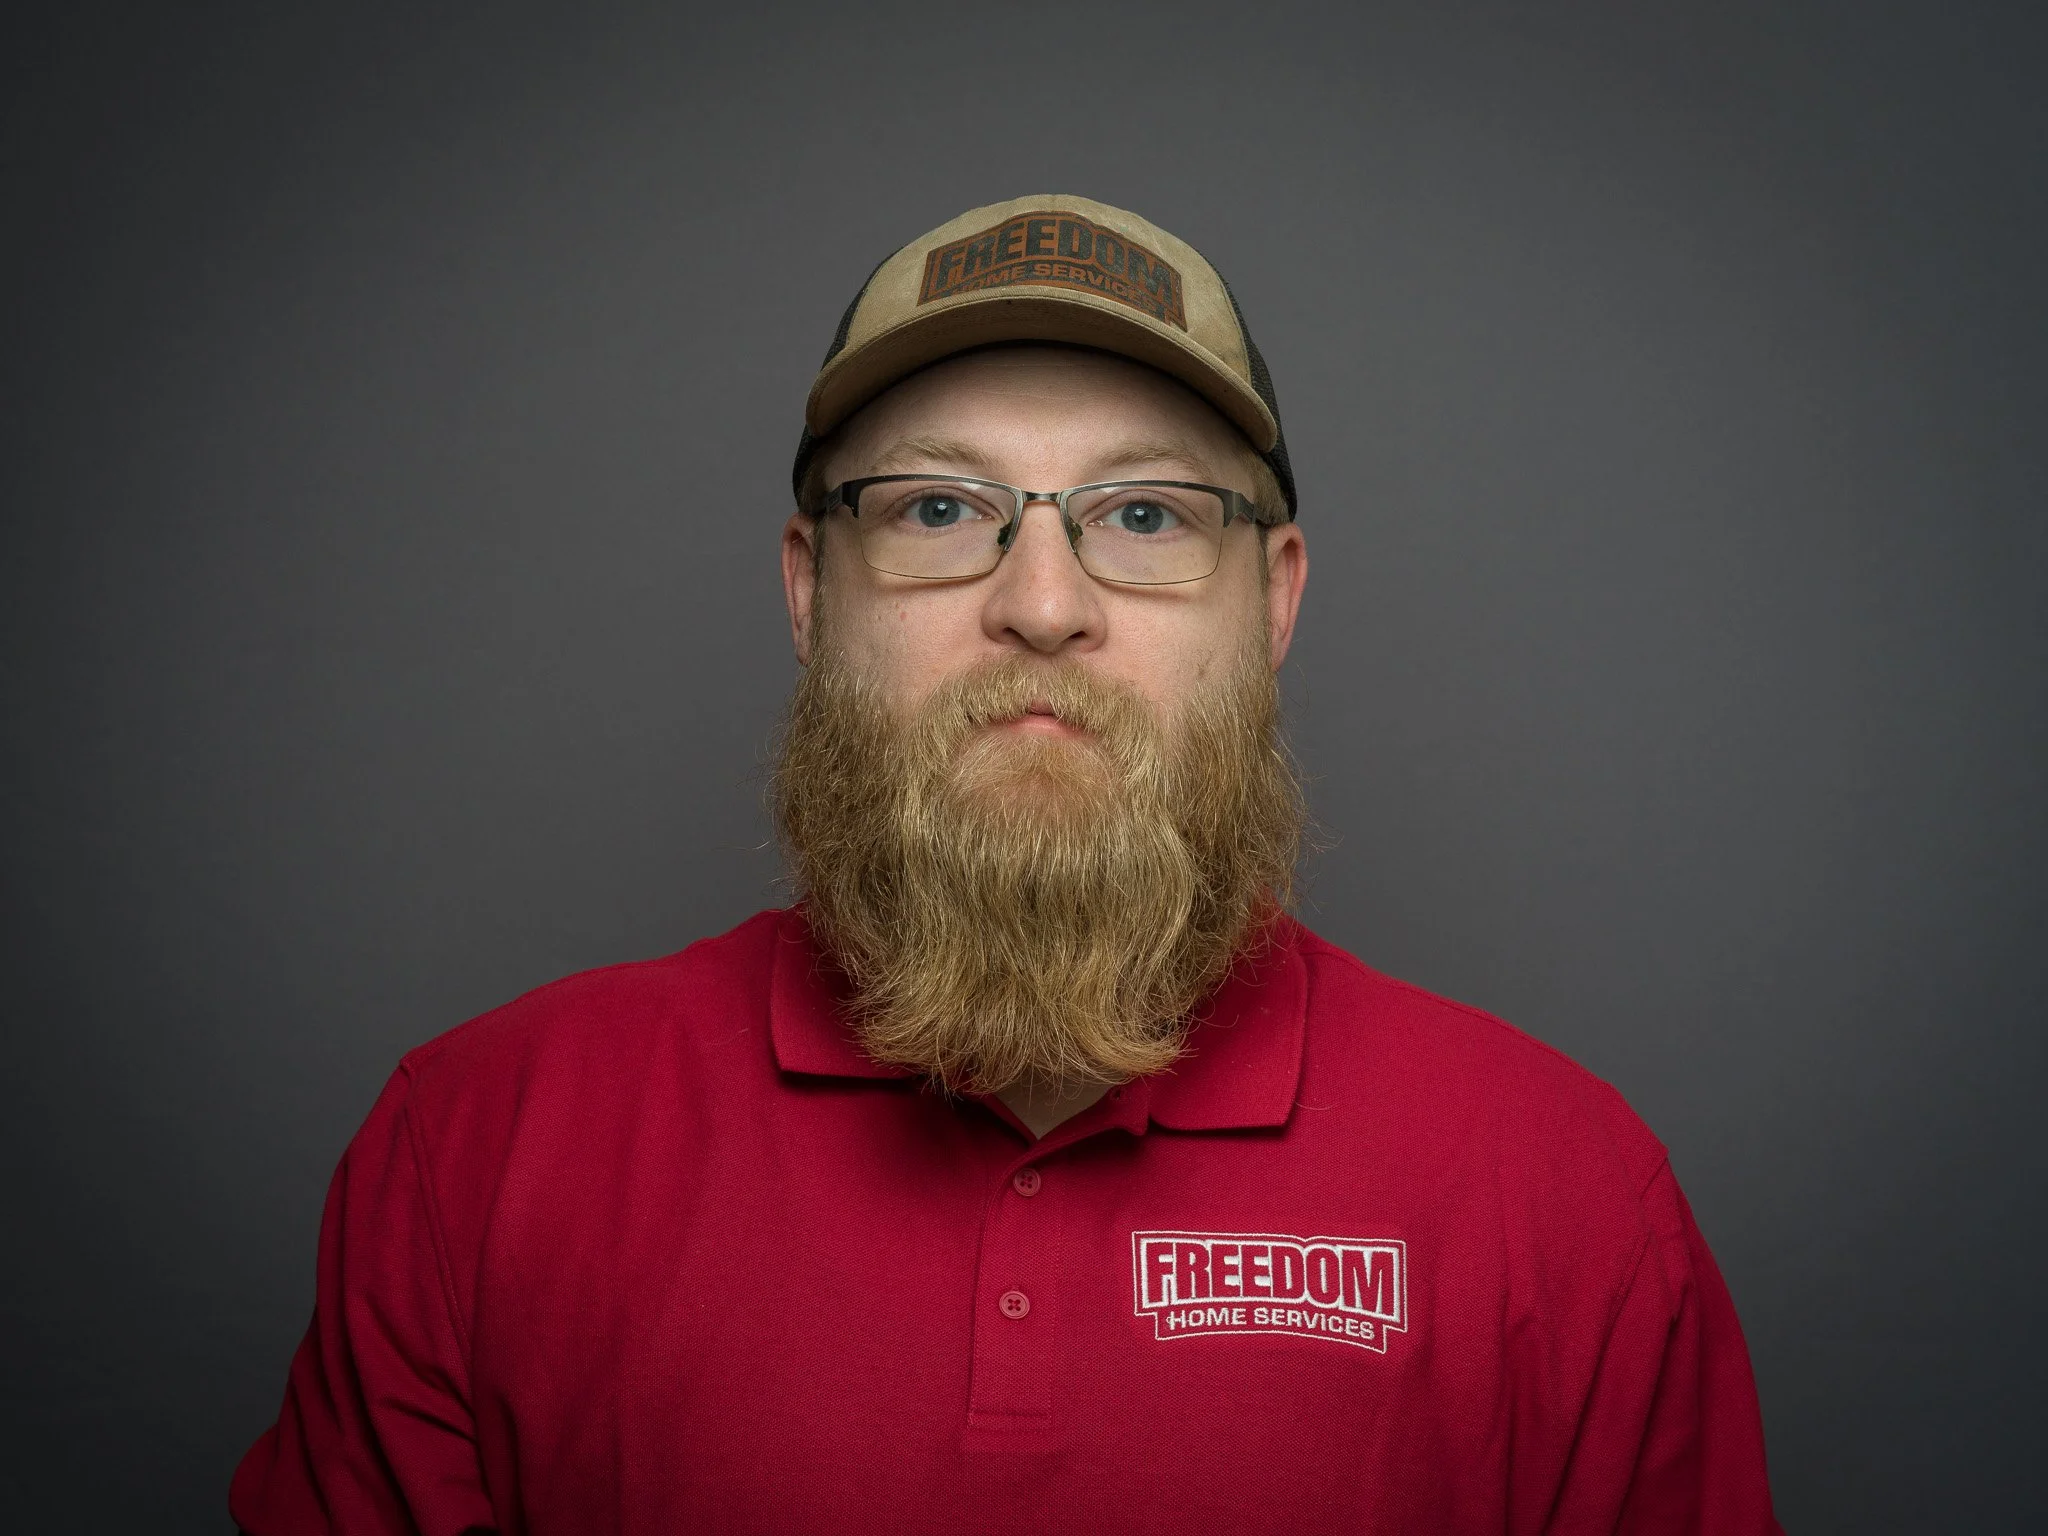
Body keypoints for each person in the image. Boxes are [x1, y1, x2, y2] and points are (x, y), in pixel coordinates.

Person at [231, 195, 1781, 1534]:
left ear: (1275, 599)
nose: (1043, 604)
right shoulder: (481, 1150)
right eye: (938, 507)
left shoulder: (1566, 1196)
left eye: (1147, 514)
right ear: (807, 587)